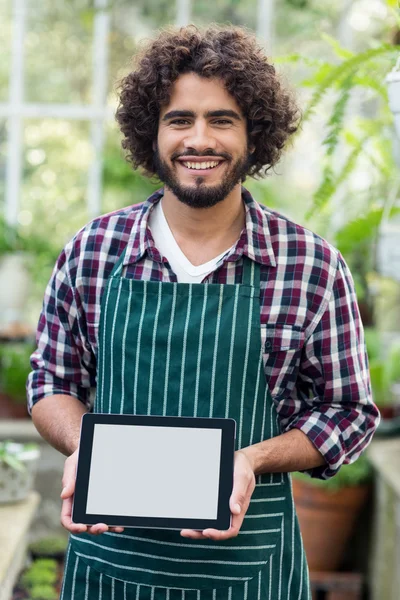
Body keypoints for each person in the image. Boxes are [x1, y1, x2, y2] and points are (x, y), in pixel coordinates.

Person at [27, 24, 380, 600]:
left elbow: (349, 412)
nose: (199, 139)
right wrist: (89, 448)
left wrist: (249, 460)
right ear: (152, 132)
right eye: (179, 119)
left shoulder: (309, 264)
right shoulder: (94, 250)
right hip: (112, 568)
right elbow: (50, 382)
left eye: (222, 119)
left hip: (250, 571)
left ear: (253, 134)